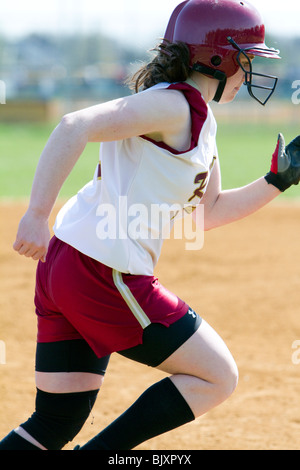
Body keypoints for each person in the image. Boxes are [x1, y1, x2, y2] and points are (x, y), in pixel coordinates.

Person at [1, 0, 300, 451]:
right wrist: (36, 214)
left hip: (72, 264)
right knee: (217, 376)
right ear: (215, 58)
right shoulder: (172, 105)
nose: (250, 69)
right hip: (105, 272)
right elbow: (72, 125)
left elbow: (208, 212)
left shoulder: (195, 114)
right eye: (246, 58)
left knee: (56, 421)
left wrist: (278, 181)